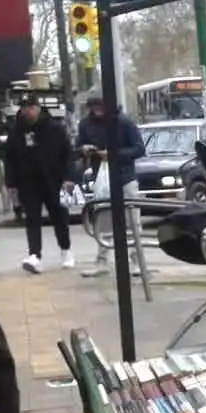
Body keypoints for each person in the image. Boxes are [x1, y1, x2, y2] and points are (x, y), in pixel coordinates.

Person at [75, 88, 145, 277]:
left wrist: (114, 154)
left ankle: (137, 261)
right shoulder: (86, 124)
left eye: (100, 105)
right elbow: (78, 146)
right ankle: (102, 261)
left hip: (125, 177)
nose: (97, 109)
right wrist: (84, 149)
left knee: (132, 222)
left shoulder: (124, 122)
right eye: (94, 106)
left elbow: (139, 149)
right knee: (103, 221)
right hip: (102, 177)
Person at [2, 97, 76, 273]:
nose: (27, 111)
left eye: (31, 108)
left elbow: (68, 154)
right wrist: (11, 183)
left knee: (59, 216)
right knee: (32, 219)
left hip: (53, 179)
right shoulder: (16, 131)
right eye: (24, 108)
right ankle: (35, 255)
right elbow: (9, 159)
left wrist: (68, 177)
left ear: (38, 108)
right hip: (28, 182)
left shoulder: (54, 128)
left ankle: (65, 249)